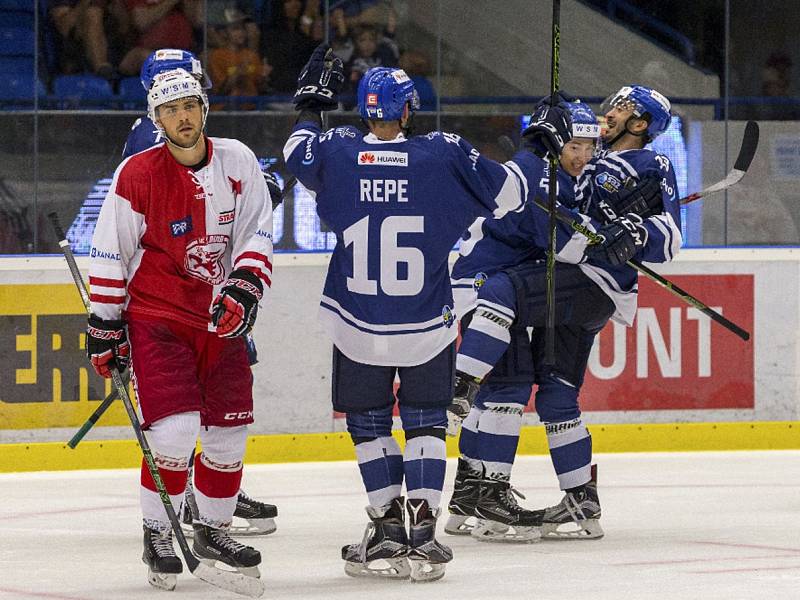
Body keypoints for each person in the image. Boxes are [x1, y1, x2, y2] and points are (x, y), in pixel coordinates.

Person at [283, 44, 580, 581]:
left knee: (369, 427)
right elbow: (513, 190)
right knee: (424, 426)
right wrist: (541, 139)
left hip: (356, 325)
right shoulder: (443, 154)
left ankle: (385, 528)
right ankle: (422, 532)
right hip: (425, 325)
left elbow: (297, 150)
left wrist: (311, 103)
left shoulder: (338, 150)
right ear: (407, 110)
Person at [448, 85, 680, 541]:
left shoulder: (653, 165)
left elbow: (669, 239)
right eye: (577, 143)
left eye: (622, 107)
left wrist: (635, 233)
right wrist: (595, 232)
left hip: (588, 286)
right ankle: (579, 503)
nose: (609, 113)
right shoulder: (556, 168)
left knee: (507, 334)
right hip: (543, 282)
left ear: (641, 123)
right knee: (549, 393)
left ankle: (461, 406)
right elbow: (558, 229)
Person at [85, 67, 273, 591]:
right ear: (156, 118)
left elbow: (257, 229)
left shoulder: (238, 160)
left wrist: (245, 286)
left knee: (230, 430)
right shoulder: (136, 173)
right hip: (159, 318)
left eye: (188, 105)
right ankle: (158, 533)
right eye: (169, 110)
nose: (181, 117)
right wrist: (105, 324)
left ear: (203, 109)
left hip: (219, 321)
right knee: (174, 429)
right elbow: (110, 252)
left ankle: (212, 530)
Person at [121, 48, 281, 539]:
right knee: (178, 414)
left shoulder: (201, 135)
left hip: (216, 294)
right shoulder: (147, 146)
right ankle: (187, 491)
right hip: (173, 301)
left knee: (220, 407)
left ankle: (208, 487)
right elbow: (153, 227)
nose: (193, 92)